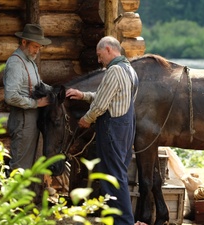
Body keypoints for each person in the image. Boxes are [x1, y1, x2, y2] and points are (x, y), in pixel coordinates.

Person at [66, 36, 139, 224]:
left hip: (112, 130)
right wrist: (82, 95)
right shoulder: (130, 70)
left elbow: (100, 105)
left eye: (100, 55)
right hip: (125, 129)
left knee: (112, 177)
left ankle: (123, 221)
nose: (99, 60)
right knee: (118, 174)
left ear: (108, 49)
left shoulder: (114, 70)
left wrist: (86, 119)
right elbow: (108, 96)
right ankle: (118, 220)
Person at [3, 24, 51, 172]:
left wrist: (57, 90)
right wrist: (36, 103)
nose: (37, 50)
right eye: (35, 46)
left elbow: (38, 85)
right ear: (24, 42)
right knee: (19, 168)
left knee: (28, 167)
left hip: (31, 119)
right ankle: (13, 195)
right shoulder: (16, 63)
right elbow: (11, 96)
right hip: (22, 120)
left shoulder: (30, 62)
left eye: (39, 47)